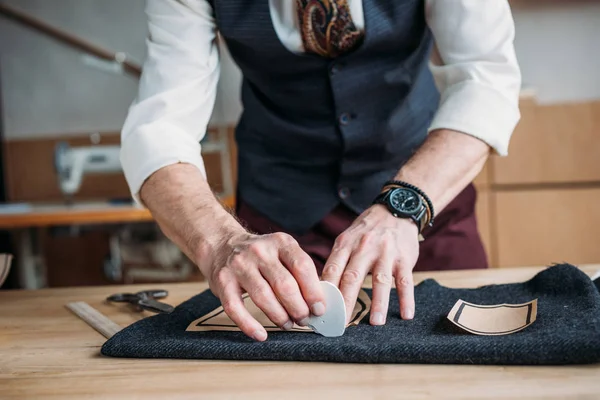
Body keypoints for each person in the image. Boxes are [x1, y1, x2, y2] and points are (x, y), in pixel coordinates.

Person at [121, 0, 521, 341]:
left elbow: (485, 77)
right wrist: (220, 241)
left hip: (428, 204)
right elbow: (160, 126)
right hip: (278, 218)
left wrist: (406, 205)